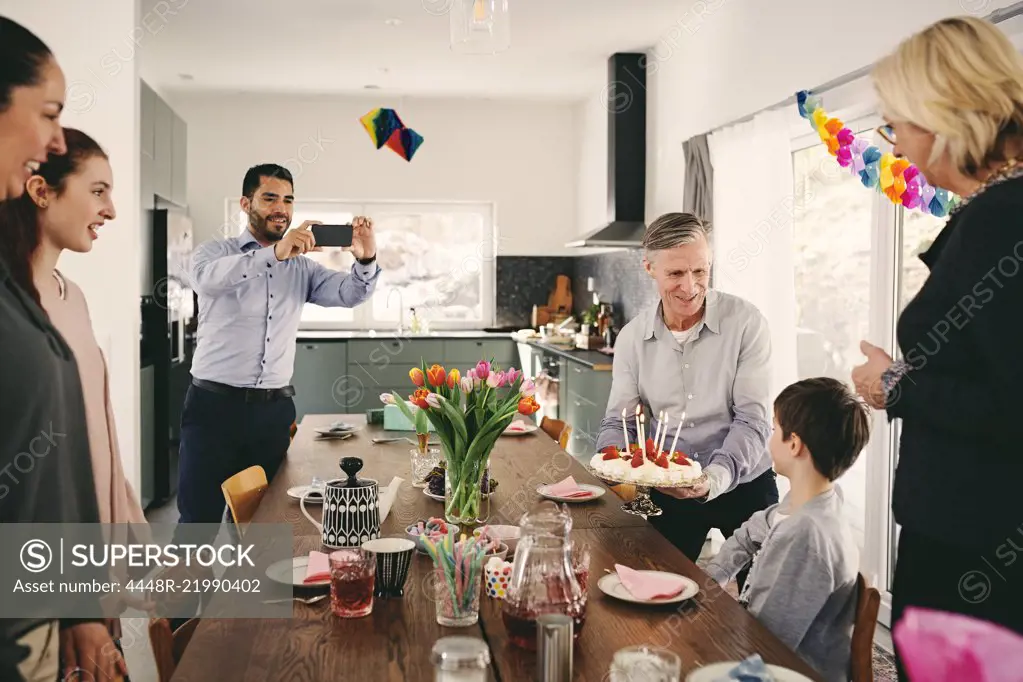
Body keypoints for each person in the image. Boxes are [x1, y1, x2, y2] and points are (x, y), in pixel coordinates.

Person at [851, 15, 1023, 679]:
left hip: (973, 550)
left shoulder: (999, 220)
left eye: (896, 125)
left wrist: (896, 384)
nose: (893, 144)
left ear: (944, 117)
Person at [0, 16, 126, 682]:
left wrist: (104, 588)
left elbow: (88, 444)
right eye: (98, 191)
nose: (109, 211)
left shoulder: (61, 298)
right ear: (42, 190)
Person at [177, 163, 380, 533]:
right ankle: (187, 592)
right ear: (245, 203)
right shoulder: (215, 253)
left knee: (268, 523)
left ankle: (253, 593)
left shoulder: (303, 268)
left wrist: (365, 259)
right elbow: (207, 281)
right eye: (269, 197)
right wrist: (275, 254)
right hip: (212, 410)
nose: (281, 208)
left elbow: (352, 293)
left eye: (288, 200)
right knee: (197, 524)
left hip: (272, 413)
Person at [594, 212, 778, 570]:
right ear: (649, 267)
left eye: (700, 271)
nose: (690, 286)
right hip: (670, 489)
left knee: (759, 600)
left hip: (744, 481)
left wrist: (712, 479)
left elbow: (753, 420)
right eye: (676, 273)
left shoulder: (746, 324)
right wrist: (611, 460)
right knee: (658, 587)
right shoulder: (633, 338)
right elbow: (621, 421)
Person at [705, 378, 870, 682]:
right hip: (769, 658)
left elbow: (766, 644)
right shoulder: (808, 502)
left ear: (794, 444)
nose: (769, 438)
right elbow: (750, 532)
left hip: (785, 671)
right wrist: (710, 578)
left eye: (774, 429)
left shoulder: (806, 536)